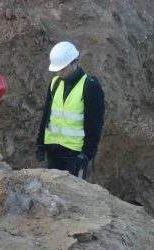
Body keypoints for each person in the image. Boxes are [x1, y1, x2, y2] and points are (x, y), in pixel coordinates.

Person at [35, 41, 105, 179]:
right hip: (53, 152)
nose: (59, 73)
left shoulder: (89, 86)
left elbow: (95, 124)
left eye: (63, 69)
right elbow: (47, 115)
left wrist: (86, 155)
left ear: (75, 63)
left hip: (74, 156)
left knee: (72, 198)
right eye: (57, 69)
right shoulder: (54, 83)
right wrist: (40, 143)